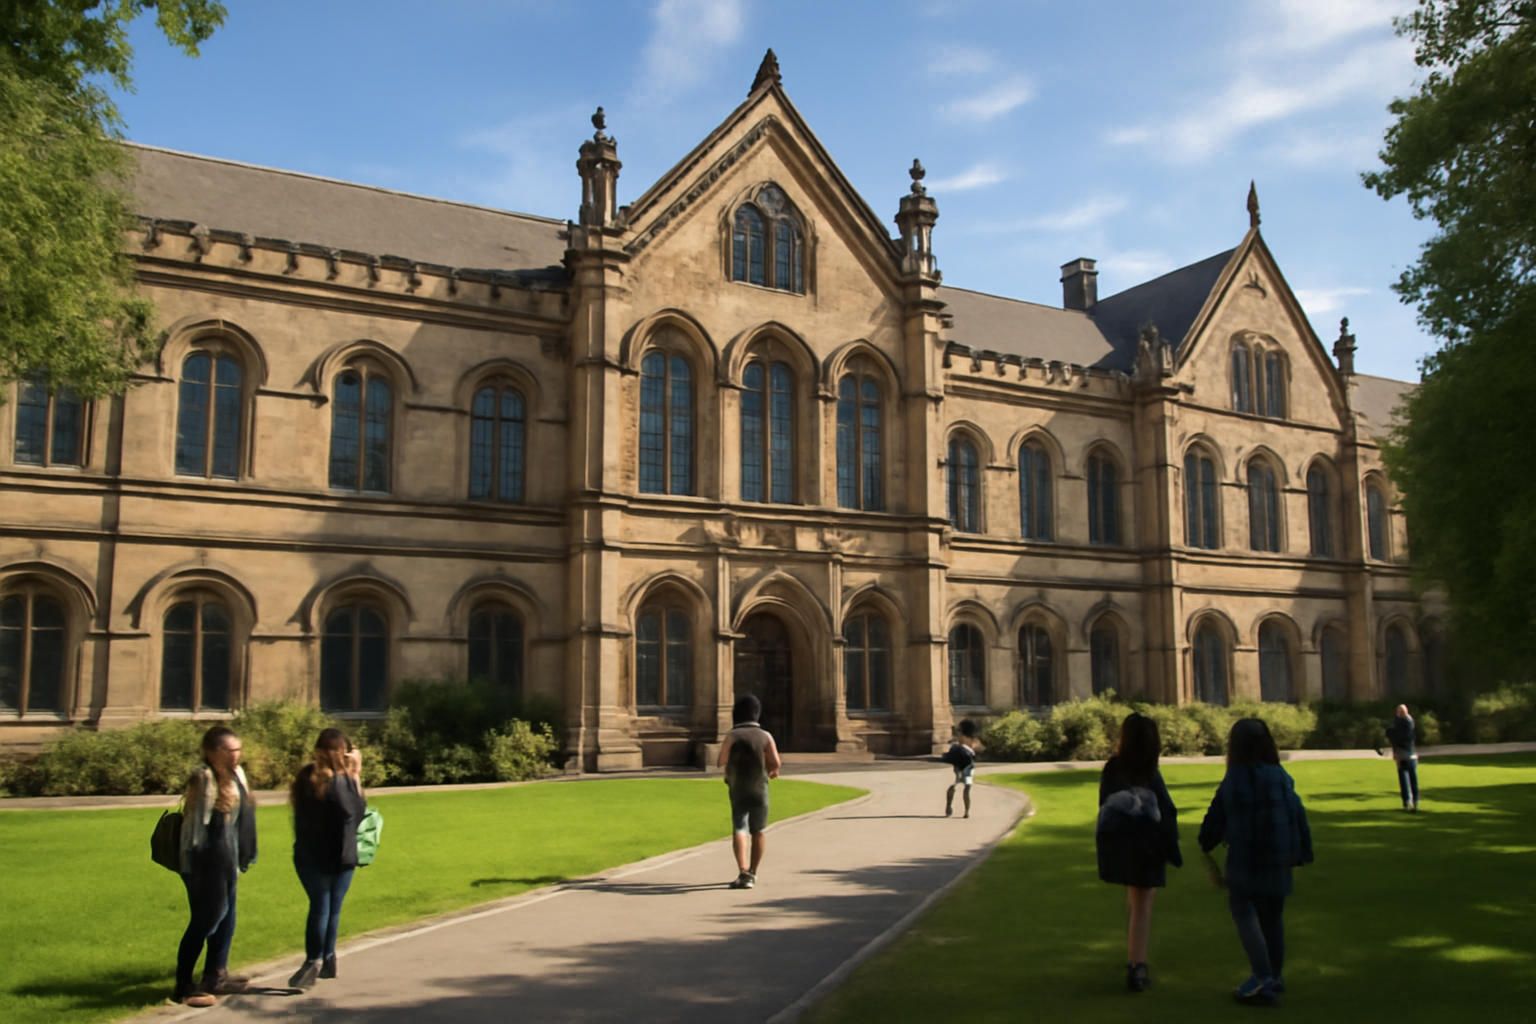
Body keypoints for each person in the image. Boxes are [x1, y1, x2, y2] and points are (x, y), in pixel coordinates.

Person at [1198, 718, 1313, 1007]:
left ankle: (1262, 977)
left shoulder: (1236, 777)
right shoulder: (1279, 775)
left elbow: (1216, 815)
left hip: (1246, 856)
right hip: (1279, 855)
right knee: (1273, 917)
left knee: (1243, 911)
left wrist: (1206, 841)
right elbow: (1297, 812)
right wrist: (1303, 851)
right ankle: (1274, 975)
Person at [1096, 712, 1182, 993]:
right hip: (1147, 848)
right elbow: (1167, 813)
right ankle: (1137, 966)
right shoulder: (1149, 773)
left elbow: (1105, 807)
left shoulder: (1113, 769)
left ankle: (1134, 955)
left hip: (1121, 846)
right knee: (1143, 904)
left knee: (1137, 902)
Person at [174, 725, 258, 1007]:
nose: (236, 754)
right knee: (207, 920)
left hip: (228, 860)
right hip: (206, 862)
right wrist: (203, 864)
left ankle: (215, 975)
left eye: (238, 749)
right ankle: (183, 985)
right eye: (229, 750)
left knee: (227, 919)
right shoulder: (204, 778)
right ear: (213, 752)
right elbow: (197, 829)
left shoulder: (237, 775)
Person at [288, 728, 367, 990]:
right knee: (330, 908)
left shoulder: (306, 777)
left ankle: (319, 958)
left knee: (322, 906)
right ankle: (322, 958)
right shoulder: (341, 781)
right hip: (340, 854)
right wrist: (355, 775)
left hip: (310, 854)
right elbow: (354, 812)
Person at [717, 694, 781, 889]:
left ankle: (743, 871)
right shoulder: (765, 736)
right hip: (760, 789)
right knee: (759, 831)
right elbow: (776, 763)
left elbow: (720, 761)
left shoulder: (732, 736)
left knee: (740, 828)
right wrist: (772, 771)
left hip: (738, 788)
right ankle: (753, 872)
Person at [1384, 704, 1419, 811]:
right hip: (1408, 753)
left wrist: (1390, 733)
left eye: (1401, 712)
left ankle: (1410, 801)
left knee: (1407, 777)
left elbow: (1399, 737)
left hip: (1405, 753)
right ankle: (1410, 801)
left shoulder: (1404, 723)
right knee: (1409, 778)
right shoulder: (1407, 722)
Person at [943, 718, 980, 818]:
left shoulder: (964, 738)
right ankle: (965, 811)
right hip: (966, 765)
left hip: (963, 765)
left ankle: (950, 807)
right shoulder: (968, 739)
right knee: (965, 787)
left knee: (957, 786)